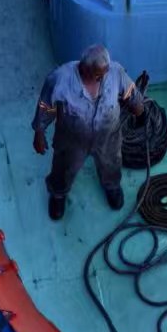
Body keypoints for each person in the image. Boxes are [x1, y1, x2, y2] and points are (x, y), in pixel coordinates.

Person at [32, 44, 146, 220]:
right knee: (63, 167)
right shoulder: (59, 79)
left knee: (111, 162)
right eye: (98, 75)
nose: (103, 77)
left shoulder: (115, 72)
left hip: (108, 137)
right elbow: (46, 106)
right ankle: (58, 194)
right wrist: (39, 132)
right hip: (72, 140)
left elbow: (131, 94)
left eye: (105, 73)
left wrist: (139, 111)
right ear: (84, 68)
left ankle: (111, 185)